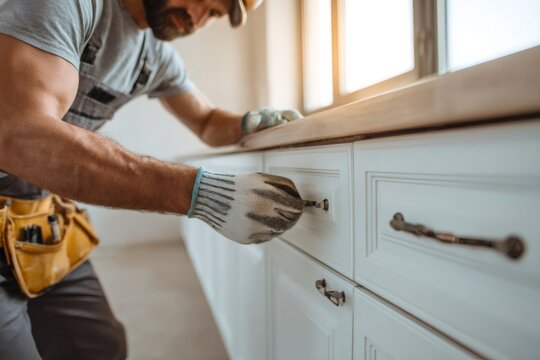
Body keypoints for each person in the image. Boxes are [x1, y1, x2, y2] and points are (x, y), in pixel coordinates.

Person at [0, 0, 305, 358]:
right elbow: (20, 135)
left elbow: (205, 120)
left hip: (37, 215)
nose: (197, 17)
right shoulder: (68, 5)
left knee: (100, 348)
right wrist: (198, 193)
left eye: (215, 15)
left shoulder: (156, 56)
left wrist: (248, 123)